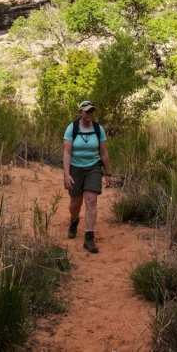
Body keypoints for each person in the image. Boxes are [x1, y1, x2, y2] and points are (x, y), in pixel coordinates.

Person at [63, 100, 111, 254]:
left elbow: (103, 152)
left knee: (91, 200)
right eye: (86, 111)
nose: (89, 114)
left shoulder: (98, 129)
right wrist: (66, 174)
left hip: (93, 167)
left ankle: (89, 237)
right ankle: (74, 221)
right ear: (80, 112)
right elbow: (67, 153)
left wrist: (108, 173)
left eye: (91, 111)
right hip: (75, 167)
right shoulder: (72, 128)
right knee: (75, 203)